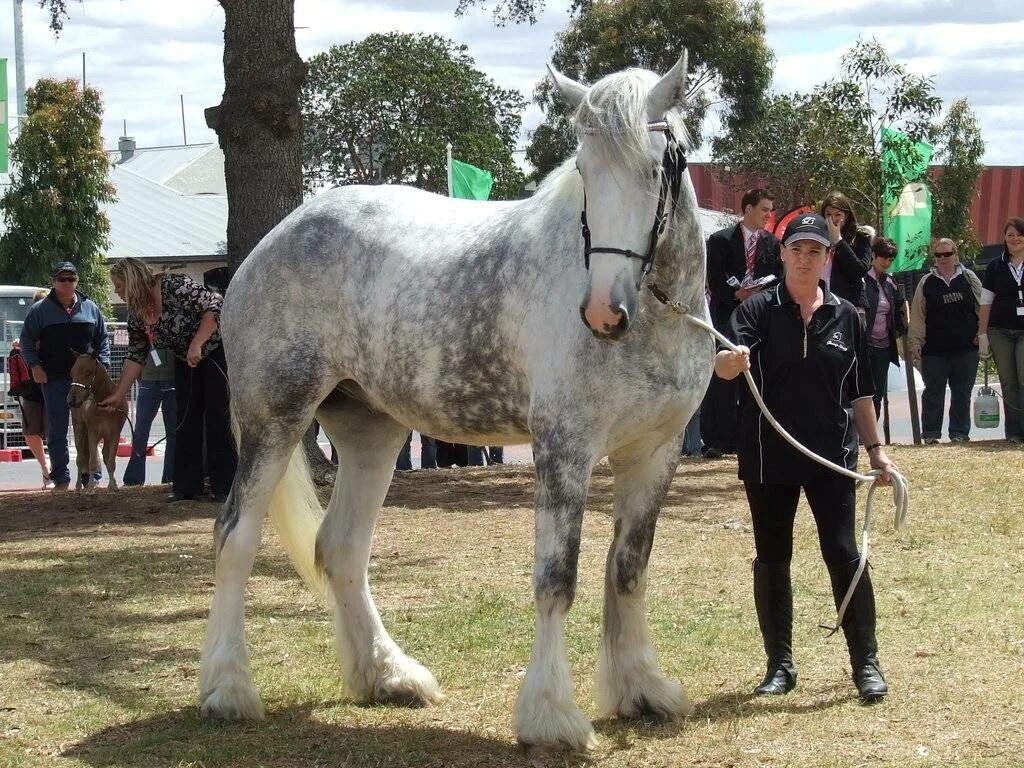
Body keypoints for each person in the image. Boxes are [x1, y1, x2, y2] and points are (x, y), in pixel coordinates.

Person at [715, 212, 896, 702]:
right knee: (773, 558)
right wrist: (728, 363)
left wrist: (876, 452)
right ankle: (780, 666)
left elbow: (861, 394)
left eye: (815, 250)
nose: (804, 258)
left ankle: (866, 664)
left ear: (825, 258)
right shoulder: (756, 311)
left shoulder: (847, 317)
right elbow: (729, 366)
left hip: (831, 456)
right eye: (796, 249)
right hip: (768, 457)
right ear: (784, 254)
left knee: (844, 554)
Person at [99, 258, 236, 503]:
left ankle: (225, 486)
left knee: (217, 414)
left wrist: (198, 343)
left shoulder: (173, 285)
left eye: (119, 286)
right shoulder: (137, 315)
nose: (117, 292)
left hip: (214, 351)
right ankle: (187, 486)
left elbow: (214, 305)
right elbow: (135, 355)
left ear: (132, 281)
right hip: (185, 360)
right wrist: (119, 393)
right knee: (184, 418)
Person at [702, 188, 782, 458]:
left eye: (770, 210)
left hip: (758, 316)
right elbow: (714, 278)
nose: (767, 215)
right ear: (747, 208)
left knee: (755, 374)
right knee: (722, 375)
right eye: (763, 209)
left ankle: (749, 436)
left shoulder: (772, 243)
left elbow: (777, 278)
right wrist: (737, 293)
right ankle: (716, 439)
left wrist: (760, 294)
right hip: (725, 315)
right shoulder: (720, 240)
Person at [19, 262, 110, 490]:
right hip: (54, 378)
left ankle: (92, 477)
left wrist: (104, 364)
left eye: (71, 279)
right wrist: (34, 366)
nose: (67, 283)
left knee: (90, 427)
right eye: (62, 279)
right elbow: (26, 341)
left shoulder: (90, 307)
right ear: (54, 282)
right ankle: (61, 478)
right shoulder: (39, 310)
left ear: (77, 281)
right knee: (57, 430)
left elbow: (102, 339)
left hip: (86, 382)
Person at [908, 239, 982, 444]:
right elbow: (918, 315)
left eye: (946, 254)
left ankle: (959, 433)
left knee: (962, 392)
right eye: (938, 255)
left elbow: (982, 307)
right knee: (933, 392)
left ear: (955, 255)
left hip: (966, 348)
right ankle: (931, 434)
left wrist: (981, 333)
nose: (942, 259)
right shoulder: (926, 282)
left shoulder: (969, 278)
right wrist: (915, 343)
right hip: (934, 350)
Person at [977, 217, 1024, 444]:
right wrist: (982, 333)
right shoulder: (996, 265)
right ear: (1004, 238)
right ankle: (1014, 433)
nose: (1015, 239)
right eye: (1010, 235)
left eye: (1019, 234)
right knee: (1008, 381)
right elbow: (986, 302)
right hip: (999, 330)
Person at [862, 237, 909, 418]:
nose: (887, 262)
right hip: (864, 345)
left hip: (883, 346)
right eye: (883, 257)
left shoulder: (891, 281)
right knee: (862, 391)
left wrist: (899, 328)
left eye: (890, 259)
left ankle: (872, 436)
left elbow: (898, 307)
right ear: (873, 255)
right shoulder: (862, 279)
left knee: (877, 393)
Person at [123, 347, 176, 486]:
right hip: (149, 381)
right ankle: (133, 480)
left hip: (174, 380)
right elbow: (135, 351)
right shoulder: (143, 326)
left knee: (173, 433)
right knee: (141, 431)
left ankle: (170, 479)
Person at [6, 334, 52, 488]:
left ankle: (58, 472)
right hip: (30, 392)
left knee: (53, 432)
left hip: (53, 389)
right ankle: (45, 469)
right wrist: (19, 346)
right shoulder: (27, 339)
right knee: (30, 432)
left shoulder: (52, 334)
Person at [820, 191, 871, 307]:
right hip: (821, 303)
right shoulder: (818, 238)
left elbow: (860, 271)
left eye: (838, 215)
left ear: (846, 216)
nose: (833, 219)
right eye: (828, 214)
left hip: (850, 305)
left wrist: (838, 241)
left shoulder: (860, 238)